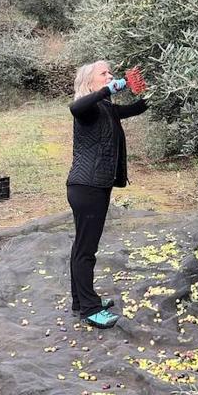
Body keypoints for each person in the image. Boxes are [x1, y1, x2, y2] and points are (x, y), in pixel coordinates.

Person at [66, 60, 148, 329]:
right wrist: (111, 88)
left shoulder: (105, 109)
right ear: (90, 82)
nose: (110, 76)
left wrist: (155, 93)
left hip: (93, 187)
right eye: (104, 74)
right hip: (87, 187)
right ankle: (90, 309)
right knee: (86, 250)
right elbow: (75, 107)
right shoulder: (87, 108)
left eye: (110, 73)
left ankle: (80, 302)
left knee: (81, 247)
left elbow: (138, 107)